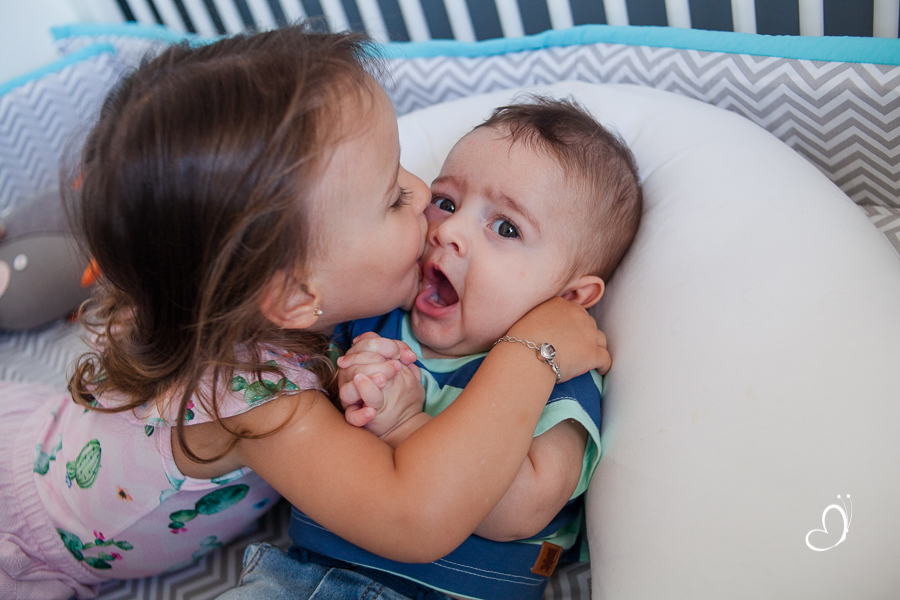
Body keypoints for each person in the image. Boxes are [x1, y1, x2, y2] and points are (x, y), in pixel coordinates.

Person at [0, 26, 611, 600]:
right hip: (31, 544)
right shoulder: (253, 397)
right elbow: (415, 515)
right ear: (294, 297)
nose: (425, 195)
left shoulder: (211, 290)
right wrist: (531, 353)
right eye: (393, 198)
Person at [233, 97, 642, 600]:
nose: (448, 230)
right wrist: (346, 386)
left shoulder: (557, 373)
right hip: (299, 579)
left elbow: (522, 510)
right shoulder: (375, 318)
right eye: (446, 202)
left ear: (570, 299)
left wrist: (404, 425)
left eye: (506, 228)